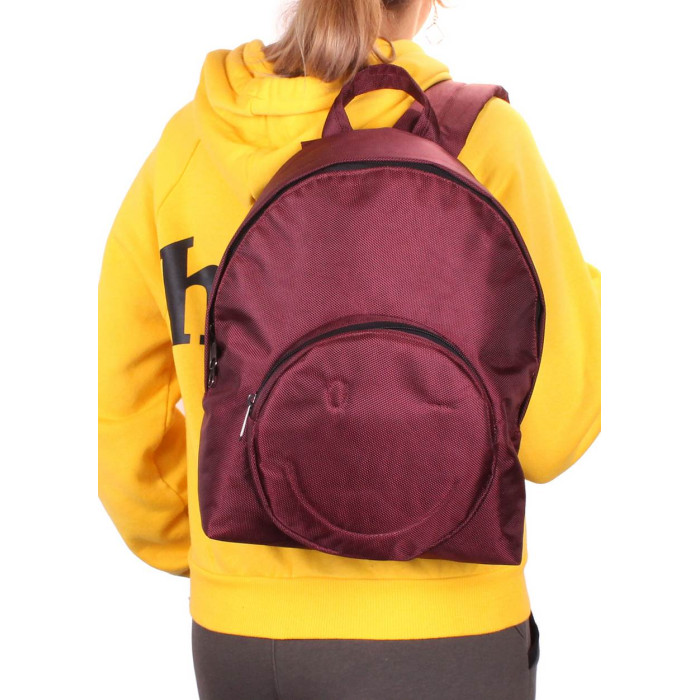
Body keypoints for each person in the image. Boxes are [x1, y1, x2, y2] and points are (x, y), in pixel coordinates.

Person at [97, 0, 601, 698]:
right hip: (443, 634)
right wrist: (580, 290)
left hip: (239, 638)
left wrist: (220, 553)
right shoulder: (482, 141)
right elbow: (553, 439)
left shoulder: (189, 147)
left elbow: (125, 415)